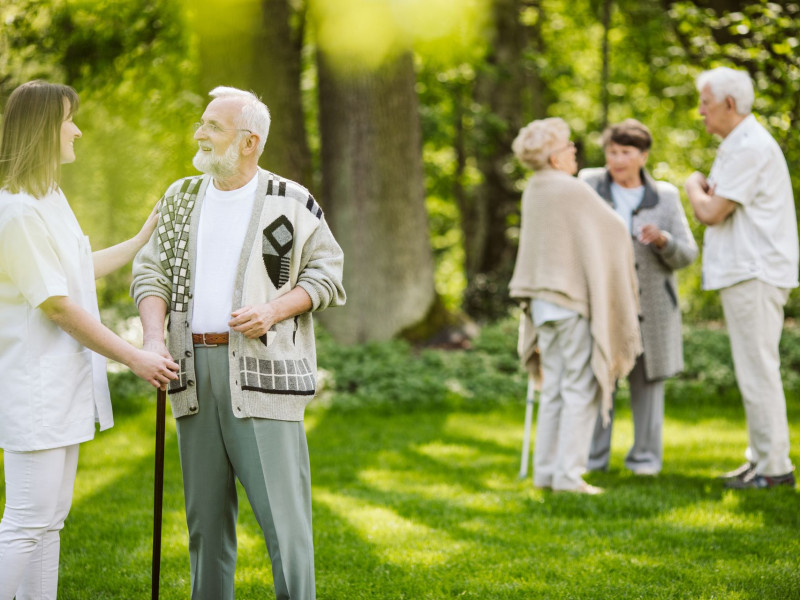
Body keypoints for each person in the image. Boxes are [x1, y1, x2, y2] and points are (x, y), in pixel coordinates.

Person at [131, 86, 345, 599]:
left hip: (262, 373)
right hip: (190, 374)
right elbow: (150, 274)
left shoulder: (291, 201)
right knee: (205, 526)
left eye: (213, 127)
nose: (200, 134)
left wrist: (273, 309)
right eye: (202, 123)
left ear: (249, 142)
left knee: (285, 527)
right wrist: (155, 337)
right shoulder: (180, 197)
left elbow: (328, 275)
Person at [0, 81, 179, 599]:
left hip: (62, 387)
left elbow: (78, 270)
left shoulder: (50, 198)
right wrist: (135, 357)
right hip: (34, 391)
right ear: (42, 131)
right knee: (26, 522)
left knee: (50, 521)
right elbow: (58, 305)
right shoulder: (18, 213)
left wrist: (144, 236)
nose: (76, 129)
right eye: (67, 120)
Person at [509, 117, 641, 495]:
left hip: (542, 305)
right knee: (580, 387)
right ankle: (569, 475)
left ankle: (546, 473)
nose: (574, 152)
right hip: (569, 303)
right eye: (567, 147)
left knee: (552, 388)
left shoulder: (534, 189)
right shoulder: (571, 189)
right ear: (553, 157)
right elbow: (614, 229)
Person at [685, 67, 798, 489]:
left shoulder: (750, 145)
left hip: (755, 272)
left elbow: (711, 211)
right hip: (747, 272)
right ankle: (760, 459)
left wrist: (691, 184)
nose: (701, 112)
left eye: (705, 104)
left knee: (757, 371)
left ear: (729, 105)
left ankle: (774, 469)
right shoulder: (738, 144)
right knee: (752, 369)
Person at [579, 119, 698, 476]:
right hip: (602, 303)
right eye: (612, 152)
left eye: (626, 152)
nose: (617, 160)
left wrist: (663, 240)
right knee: (600, 378)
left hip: (652, 308)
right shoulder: (588, 186)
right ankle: (592, 459)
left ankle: (645, 461)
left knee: (648, 384)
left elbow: (688, 254)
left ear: (643, 156)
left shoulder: (664, 196)